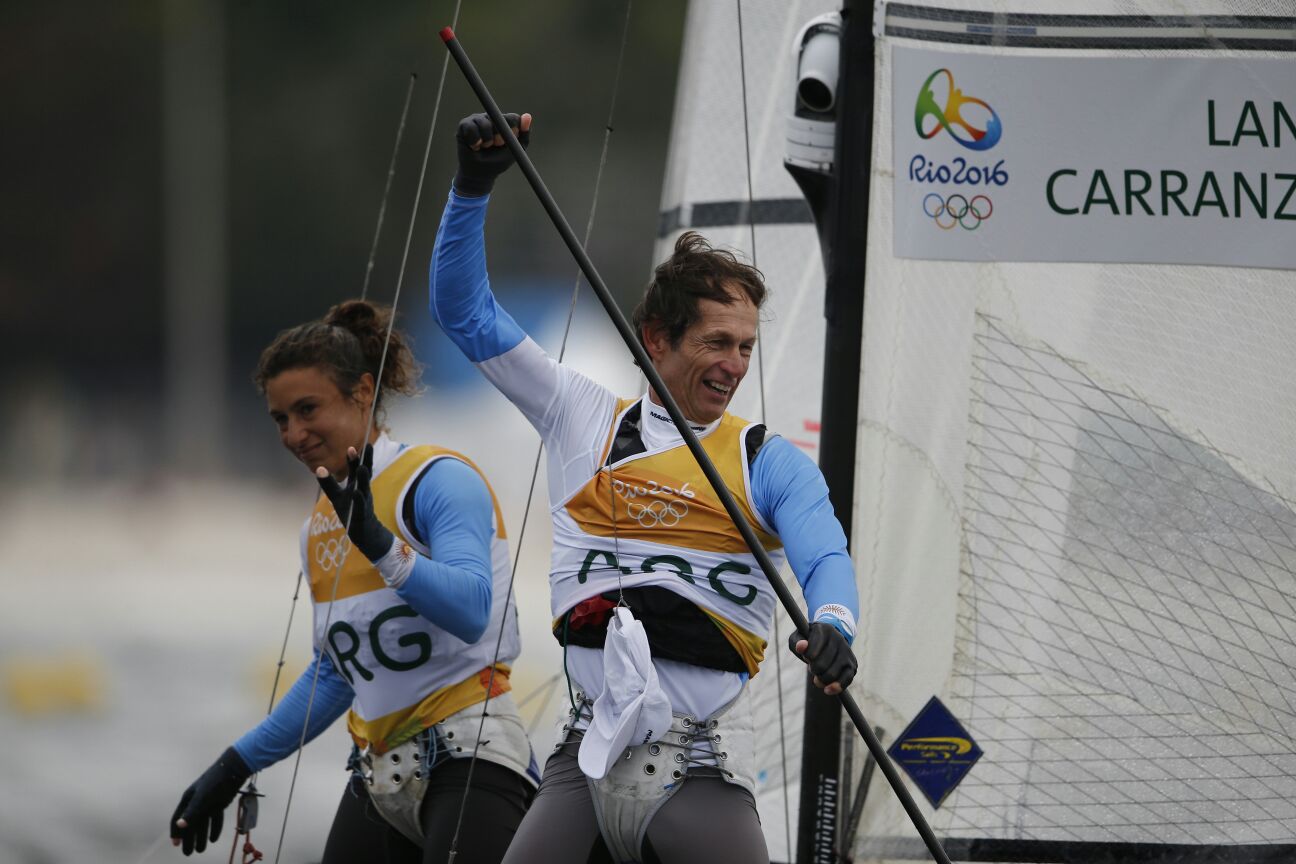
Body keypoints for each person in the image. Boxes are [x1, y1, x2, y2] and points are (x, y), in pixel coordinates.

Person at [429, 112, 859, 864]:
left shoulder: (767, 461)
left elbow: (826, 556)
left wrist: (834, 625)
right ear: (655, 340)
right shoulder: (576, 414)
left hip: (700, 771)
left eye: (746, 347)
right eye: (716, 343)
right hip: (582, 767)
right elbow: (464, 313)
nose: (734, 366)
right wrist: (472, 188)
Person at [168, 300, 536, 862]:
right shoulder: (317, 527)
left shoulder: (437, 480)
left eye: (307, 409)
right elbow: (336, 674)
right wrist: (234, 764)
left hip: (472, 761)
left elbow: (471, 611)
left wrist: (384, 547)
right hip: (378, 774)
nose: (294, 433)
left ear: (363, 392)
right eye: (280, 418)